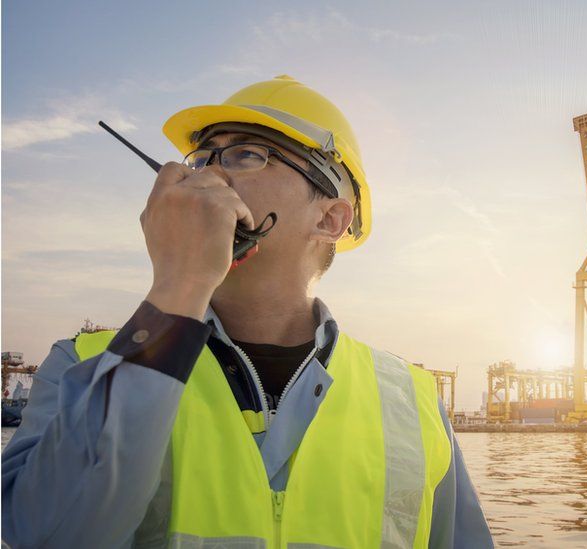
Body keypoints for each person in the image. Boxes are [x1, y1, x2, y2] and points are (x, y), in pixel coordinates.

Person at [1, 75, 494, 548]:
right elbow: (52, 535)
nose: (209, 175)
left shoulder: (412, 400)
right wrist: (180, 285)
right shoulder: (80, 363)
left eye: (247, 154)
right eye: (200, 159)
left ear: (330, 217)